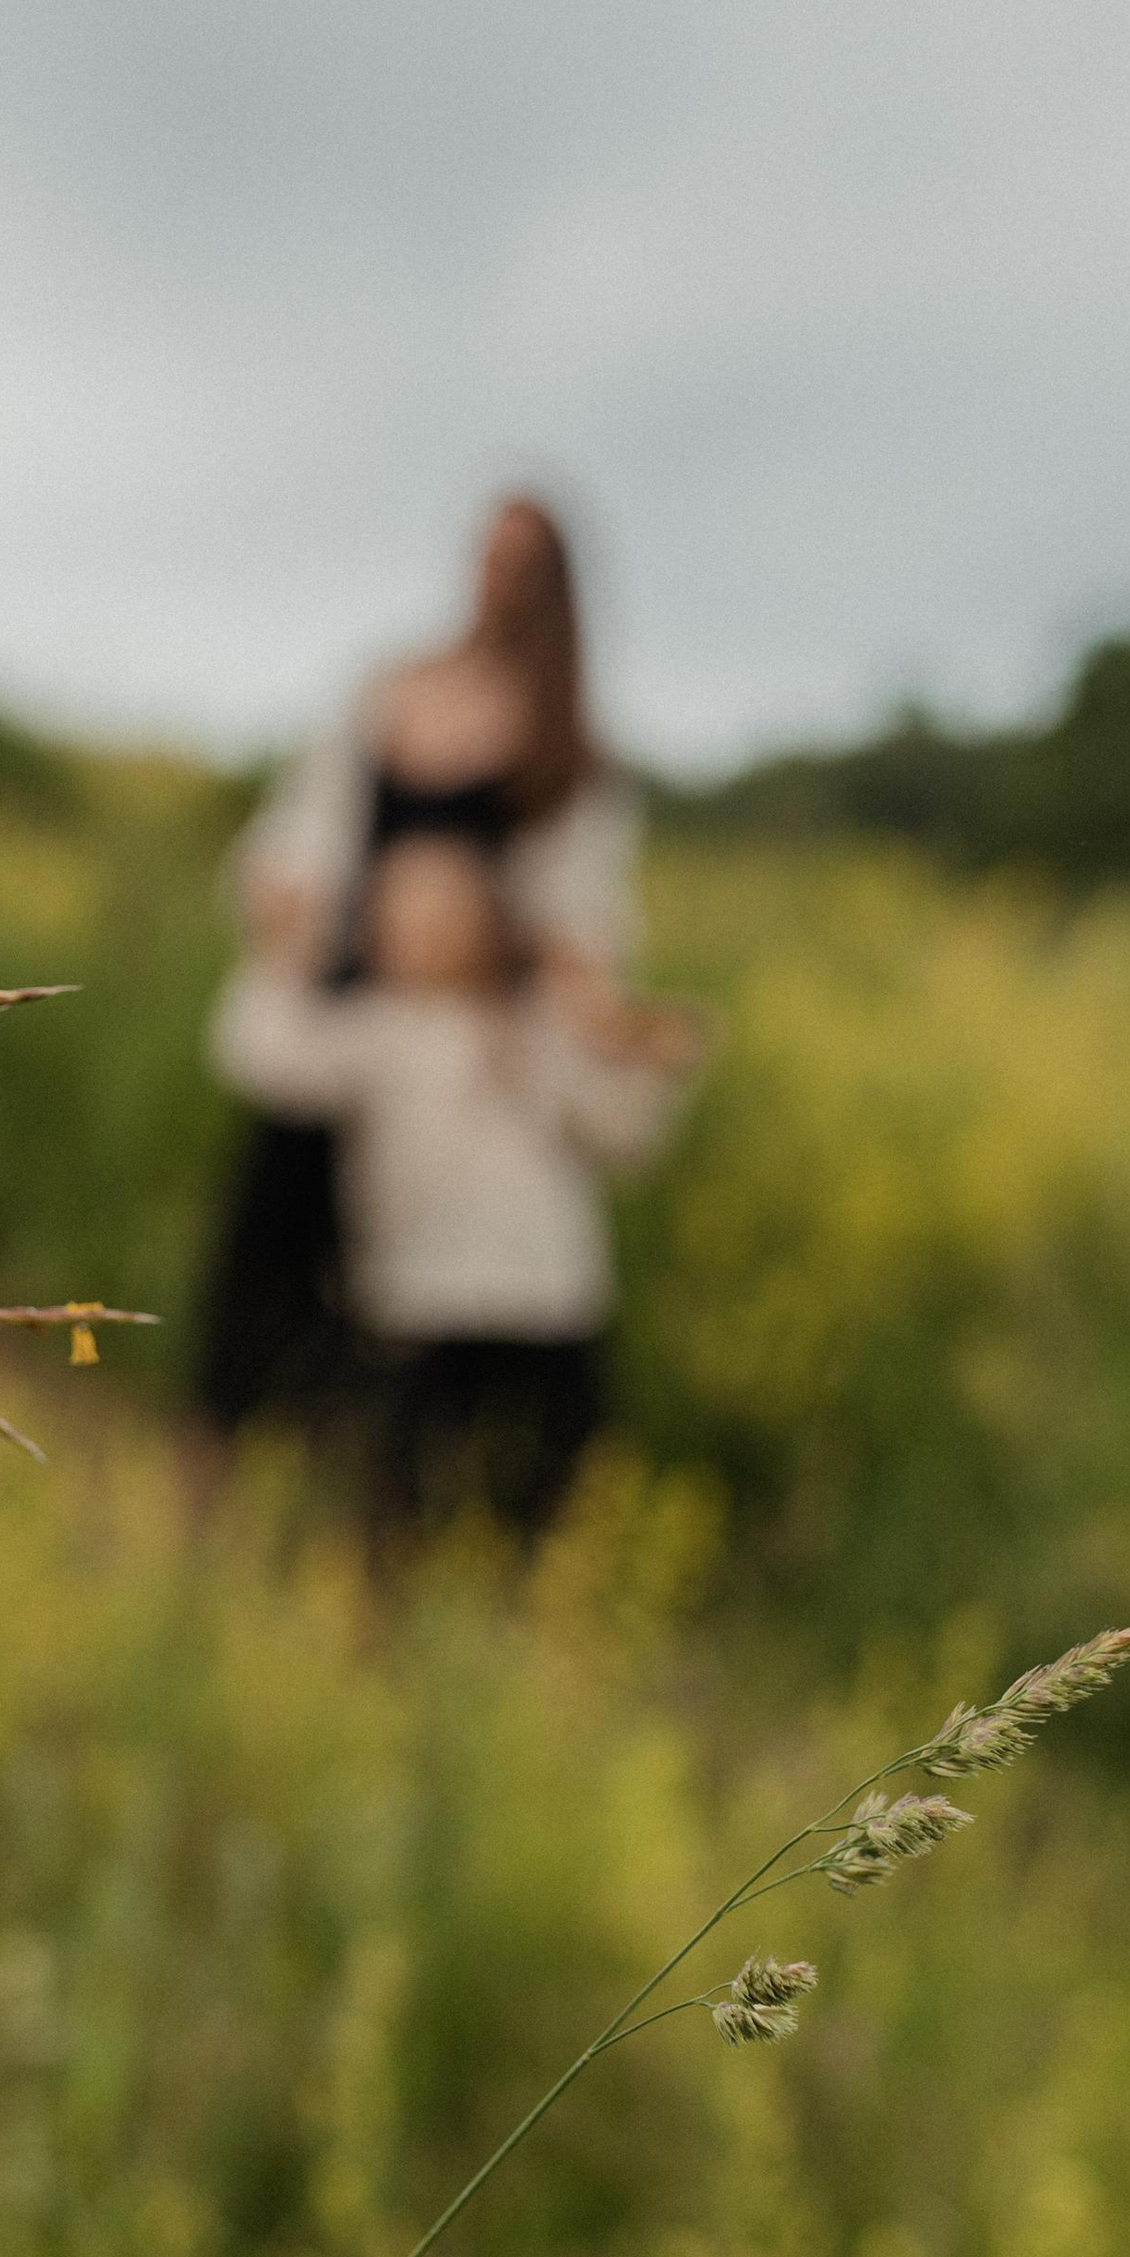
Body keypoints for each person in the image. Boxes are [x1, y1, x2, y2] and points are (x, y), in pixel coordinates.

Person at [192, 494, 640, 1438]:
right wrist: (287, 899)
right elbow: (303, 833)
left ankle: (425, 1466)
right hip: (344, 1004)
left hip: (470, 1038)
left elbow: (577, 916)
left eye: (521, 560)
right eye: (490, 552)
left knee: (472, 1272)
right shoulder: (391, 689)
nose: (496, 575)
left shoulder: (567, 745)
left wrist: (574, 1002)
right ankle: (234, 1443)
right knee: (272, 1237)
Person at [208, 834, 699, 1539]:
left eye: (445, 902)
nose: (422, 921)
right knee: (409, 1503)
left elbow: (623, 1138)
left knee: (557, 1501)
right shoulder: (377, 1032)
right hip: (418, 1302)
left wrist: (632, 1055)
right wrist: (280, 957)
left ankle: (541, 1625)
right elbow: (266, 1059)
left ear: (495, 921)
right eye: (399, 904)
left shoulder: (537, 1031)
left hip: (547, 1305)